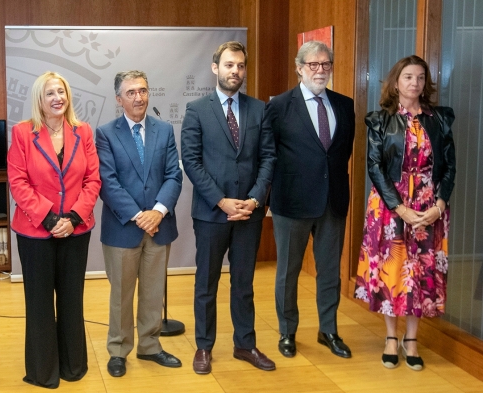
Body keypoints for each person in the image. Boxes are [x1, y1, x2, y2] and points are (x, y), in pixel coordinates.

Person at [355, 55, 456, 371]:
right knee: (394, 269)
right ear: (396, 81)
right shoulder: (380, 120)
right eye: (409, 77)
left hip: (429, 205)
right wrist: (398, 207)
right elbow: (374, 165)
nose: (415, 83)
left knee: (420, 272)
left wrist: (439, 205)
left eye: (421, 78)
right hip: (390, 204)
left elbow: (450, 166)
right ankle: (390, 336)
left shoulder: (438, 119)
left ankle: (411, 338)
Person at [181, 41, 277, 375]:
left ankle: (244, 344)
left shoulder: (259, 109)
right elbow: (192, 162)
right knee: (206, 283)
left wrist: (253, 201)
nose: (234, 71)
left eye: (240, 65)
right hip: (211, 213)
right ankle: (204, 347)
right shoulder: (197, 110)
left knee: (244, 283)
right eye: (228, 65)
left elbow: (268, 158)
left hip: (248, 214)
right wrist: (221, 201)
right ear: (215, 68)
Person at [7, 71, 101, 388]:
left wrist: (73, 217)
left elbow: (93, 180)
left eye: (61, 92)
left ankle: (74, 366)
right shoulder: (22, 133)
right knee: (39, 302)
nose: (57, 98)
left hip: (76, 231)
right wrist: (48, 219)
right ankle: (43, 371)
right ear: (39, 99)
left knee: (72, 300)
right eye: (50, 93)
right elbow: (18, 182)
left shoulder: (83, 131)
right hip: (36, 232)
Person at [262, 41, 356, 359]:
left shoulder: (345, 105)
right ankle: (287, 331)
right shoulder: (278, 107)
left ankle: (328, 330)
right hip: (291, 203)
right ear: (299, 68)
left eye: (325, 64)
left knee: (330, 271)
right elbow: (268, 155)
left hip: (333, 202)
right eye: (313, 65)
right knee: (288, 271)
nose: (320, 70)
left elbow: (342, 153)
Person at [95, 70, 184, 378]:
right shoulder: (106, 133)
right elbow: (107, 181)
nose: (138, 97)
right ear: (119, 99)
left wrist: (158, 211)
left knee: (153, 290)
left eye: (143, 91)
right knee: (121, 293)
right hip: (123, 227)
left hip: (159, 227)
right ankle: (118, 350)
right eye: (131, 92)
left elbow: (174, 175)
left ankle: (150, 346)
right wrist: (138, 215)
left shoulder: (164, 129)